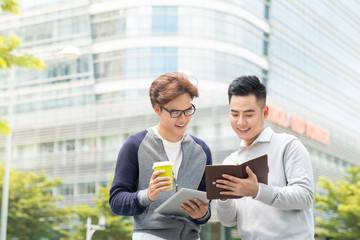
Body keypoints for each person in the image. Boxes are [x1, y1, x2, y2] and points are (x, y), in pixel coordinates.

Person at [109, 72, 212, 240]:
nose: (183, 118)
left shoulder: (202, 151)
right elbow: (116, 201)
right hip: (150, 235)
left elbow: (205, 209)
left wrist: (202, 214)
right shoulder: (135, 145)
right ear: (157, 109)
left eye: (188, 110)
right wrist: (147, 195)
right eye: (175, 113)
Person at [215, 75, 314, 239]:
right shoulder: (230, 161)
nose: (240, 122)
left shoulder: (287, 145)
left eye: (248, 114)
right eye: (234, 114)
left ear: (265, 112)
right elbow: (228, 221)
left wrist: (258, 190)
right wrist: (224, 199)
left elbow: (305, 197)